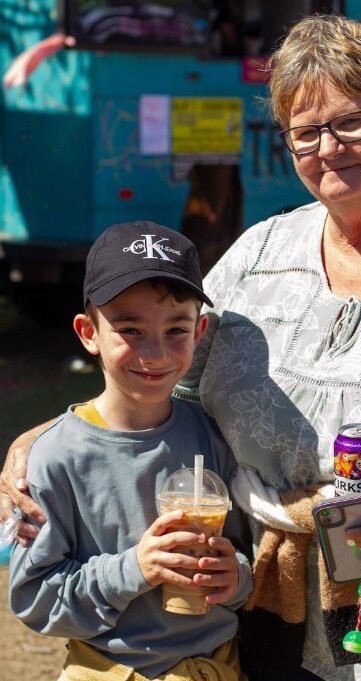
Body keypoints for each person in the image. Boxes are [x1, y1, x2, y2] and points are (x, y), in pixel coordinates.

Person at [2, 12, 361, 681]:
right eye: (305, 132)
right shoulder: (259, 256)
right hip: (254, 619)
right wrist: (41, 437)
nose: (328, 148)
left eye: (351, 121)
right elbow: (163, 379)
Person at [7, 221, 252, 681]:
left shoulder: (214, 436)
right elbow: (35, 600)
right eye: (130, 329)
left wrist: (234, 577)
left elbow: (246, 557)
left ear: (199, 331)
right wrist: (134, 569)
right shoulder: (54, 458)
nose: (156, 352)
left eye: (175, 329)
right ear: (88, 332)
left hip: (220, 668)